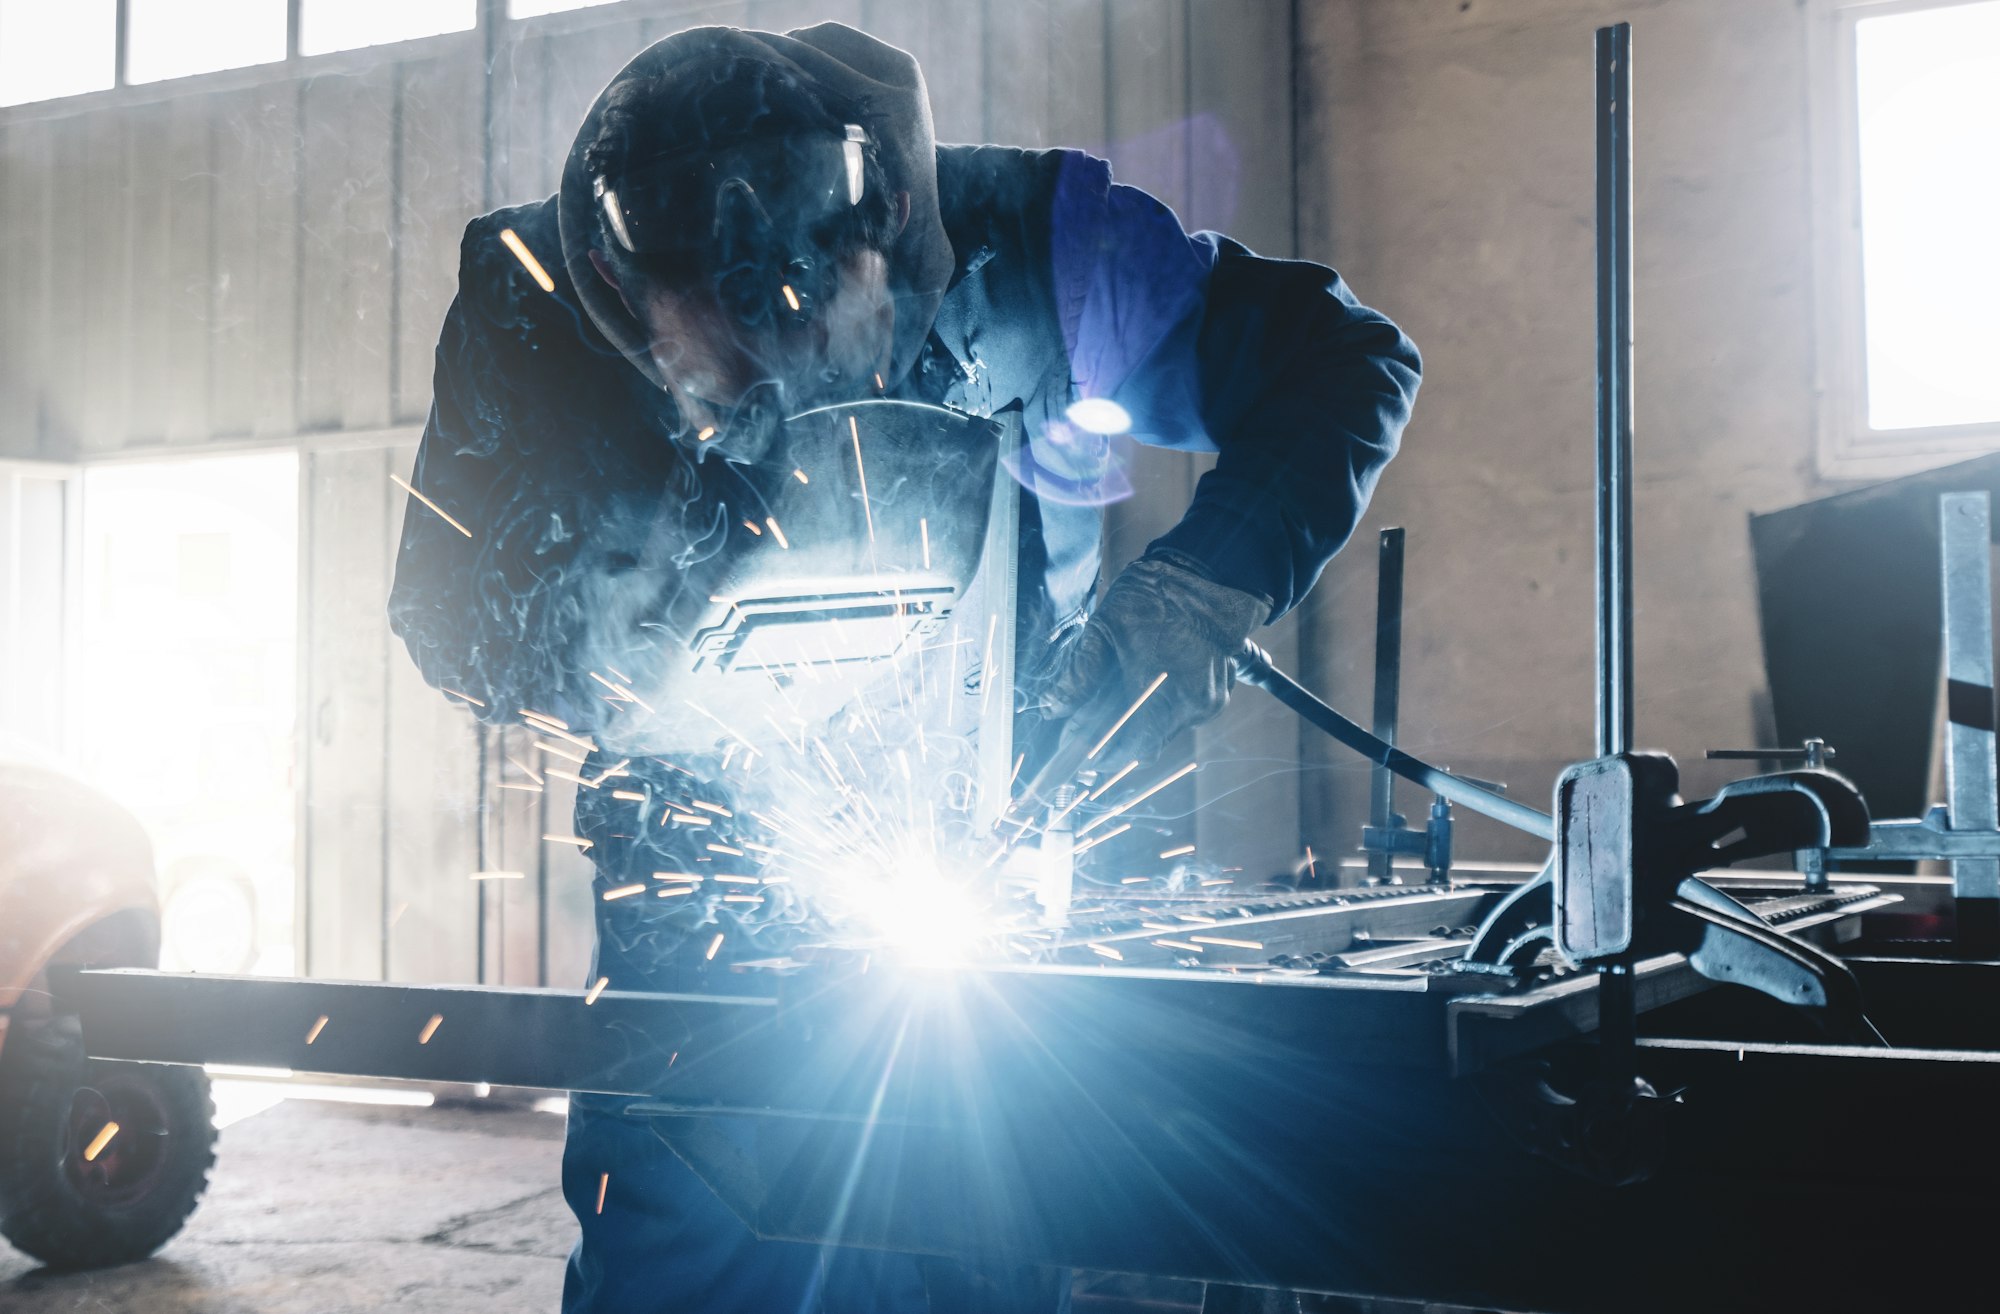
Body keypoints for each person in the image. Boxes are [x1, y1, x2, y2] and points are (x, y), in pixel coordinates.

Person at [388, 21, 1419, 1314]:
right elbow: (441, 609)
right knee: (683, 1258)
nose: (769, 384)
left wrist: (1193, 598)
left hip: (1002, 889)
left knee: (978, 1239)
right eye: (720, 361)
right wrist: (613, 644)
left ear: (874, 235)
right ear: (615, 278)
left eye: (804, 333)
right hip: (703, 936)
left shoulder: (1043, 243)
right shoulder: (531, 294)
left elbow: (1345, 359)